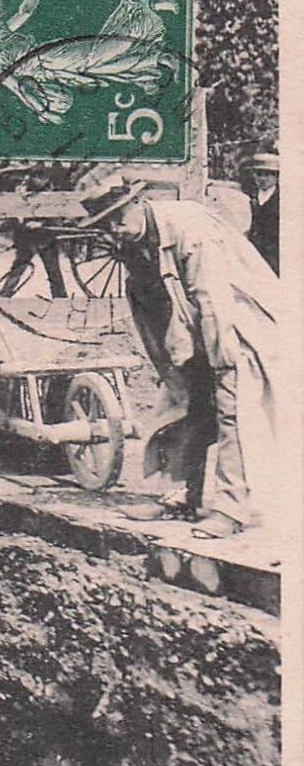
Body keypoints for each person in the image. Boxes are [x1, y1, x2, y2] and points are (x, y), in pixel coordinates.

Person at [81, 178, 286, 538]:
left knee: (232, 412)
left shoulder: (192, 229)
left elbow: (213, 298)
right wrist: (175, 359)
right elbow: (153, 301)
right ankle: (180, 497)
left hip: (239, 322)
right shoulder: (134, 239)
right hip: (190, 327)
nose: (114, 230)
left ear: (138, 201)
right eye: (105, 224)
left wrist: (223, 358)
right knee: (185, 406)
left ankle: (230, 509)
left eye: (118, 218)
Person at [0, 162, 69, 300]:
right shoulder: (23, 190)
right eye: (34, 177)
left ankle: (60, 296)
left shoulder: (51, 194)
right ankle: (5, 293)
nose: (35, 180)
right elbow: (18, 210)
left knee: (52, 269)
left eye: (39, 177)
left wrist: (41, 223)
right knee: (19, 265)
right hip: (26, 236)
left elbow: (55, 217)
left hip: (44, 237)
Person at [243, 152, 279, 275]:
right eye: (259, 174)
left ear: (276, 176)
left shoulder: (281, 199)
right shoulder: (248, 196)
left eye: (268, 174)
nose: (263, 179)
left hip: (274, 256)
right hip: (252, 253)